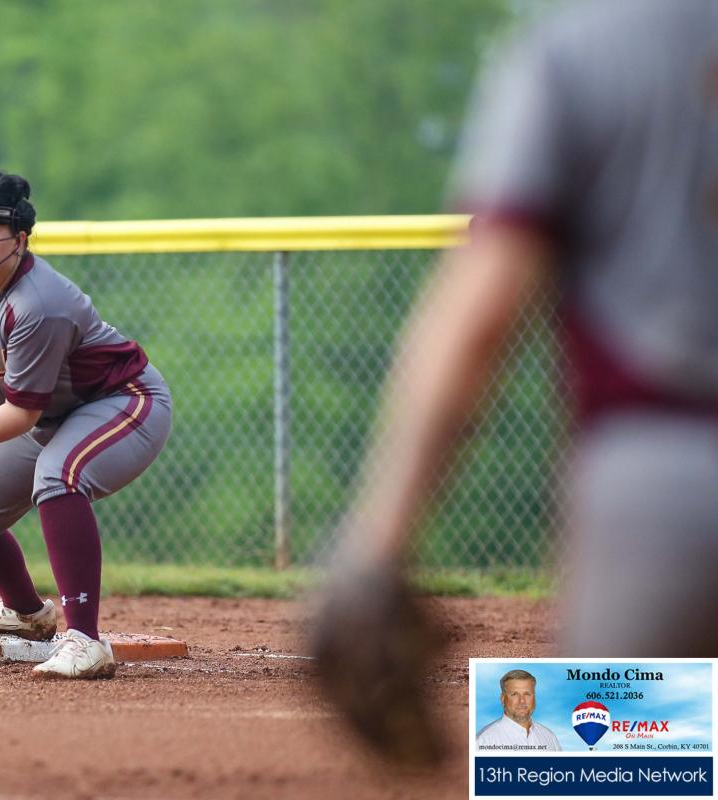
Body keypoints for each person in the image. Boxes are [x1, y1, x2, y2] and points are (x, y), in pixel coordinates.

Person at [310, 0, 718, 761]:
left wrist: (377, 544)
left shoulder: (576, 48)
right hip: (653, 475)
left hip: (660, 480)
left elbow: (483, 309)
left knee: (610, 764)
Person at [0, 172, 173, 678]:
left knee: (58, 477)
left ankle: (86, 641)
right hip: (52, 414)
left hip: (121, 403)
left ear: (20, 239)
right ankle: (26, 613)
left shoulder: (40, 303)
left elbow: (21, 414)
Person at [476, 670, 561, 750]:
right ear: (502, 699)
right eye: (514, 694)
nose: (522, 701)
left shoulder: (549, 737)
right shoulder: (484, 741)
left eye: (527, 694)